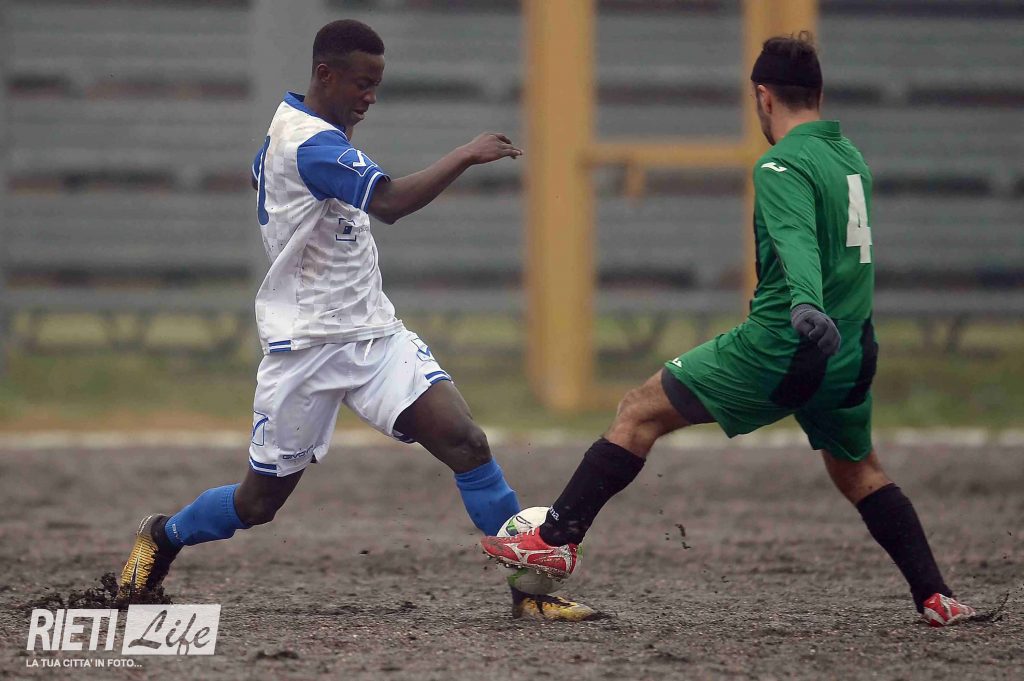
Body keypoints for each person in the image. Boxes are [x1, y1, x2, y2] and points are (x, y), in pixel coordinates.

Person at [481, 32, 976, 628]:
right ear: (818, 95)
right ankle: (936, 596)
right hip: (850, 349)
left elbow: (796, 242)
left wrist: (804, 305)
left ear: (763, 97)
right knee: (860, 470)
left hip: (783, 344)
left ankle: (554, 538)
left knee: (638, 411)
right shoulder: (850, 158)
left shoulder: (780, 163)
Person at [117, 19, 597, 622]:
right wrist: (466, 154)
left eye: (377, 85)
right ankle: (162, 536)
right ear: (325, 74)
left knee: (467, 443)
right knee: (258, 503)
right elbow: (390, 203)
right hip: (305, 347)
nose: (370, 97)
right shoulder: (308, 143)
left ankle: (530, 594)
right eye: (362, 84)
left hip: (373, 336)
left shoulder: (312, 131)